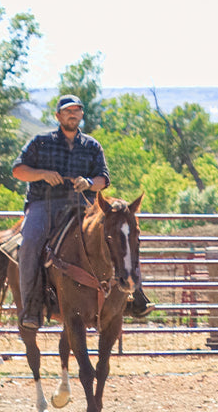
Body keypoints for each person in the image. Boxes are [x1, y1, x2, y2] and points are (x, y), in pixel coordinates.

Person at [11, 95, 133, 323]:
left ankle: (134, 295)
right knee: (30, 242)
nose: (72, 114)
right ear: (58, 116)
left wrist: (88, 183)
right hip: (43, 205)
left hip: (82, 206)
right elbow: (17, 170)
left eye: (77, 110)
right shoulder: (40, 141)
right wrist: (42, 174)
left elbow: (103, 180)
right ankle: (31, 307)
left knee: (120, 235)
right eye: (67, 111)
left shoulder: (92, 145)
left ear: (81, 115)